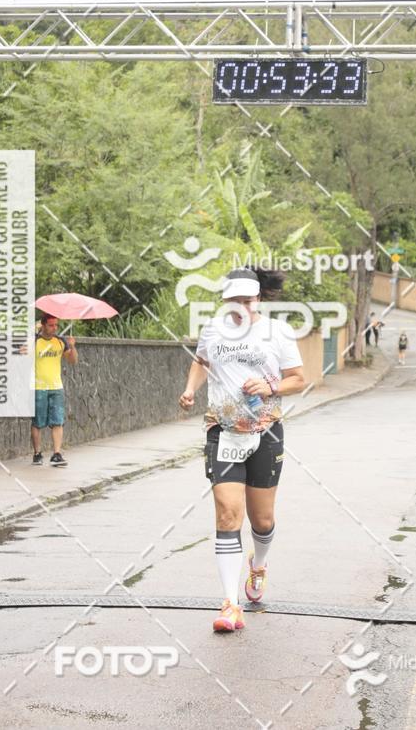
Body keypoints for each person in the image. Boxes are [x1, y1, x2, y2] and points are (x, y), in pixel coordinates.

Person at [179, 267, 305, 633]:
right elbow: (201, 361)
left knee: (262, 521)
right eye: (234, 301)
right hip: (223, 431)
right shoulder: (213, 330)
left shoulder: (277, 332)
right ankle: (230, 604)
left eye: (247, 301)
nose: (241, 309)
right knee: (227, 515)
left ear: (258, 300)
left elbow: (299, 379)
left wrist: (270, 389)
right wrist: (190, 388)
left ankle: (259, 563)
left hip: (266, 432)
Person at [31, 314, 78, 465]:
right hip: (38, 387)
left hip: (56, 387)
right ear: (43, 325)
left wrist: (72, 346)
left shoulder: (60, 341)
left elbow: (72, 361)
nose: (54, 328)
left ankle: (56, 453)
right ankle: (37, 453)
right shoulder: (34, 341)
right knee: (37, 422)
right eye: (51, 325)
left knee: (58, 421)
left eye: (56, 325)